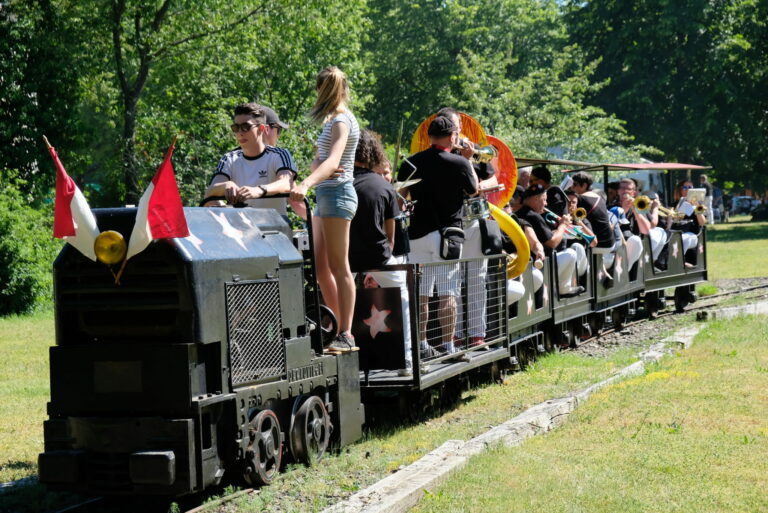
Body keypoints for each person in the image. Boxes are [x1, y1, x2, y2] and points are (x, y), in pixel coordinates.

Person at [290, 66, 360, 353]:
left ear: (324, 90)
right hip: (326, 196)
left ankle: (347, 333)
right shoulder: (332, 122)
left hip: (338, 195)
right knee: (321, 268)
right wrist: (317, 172)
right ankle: (335, 327)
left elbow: (331, 163)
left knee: (339, 265)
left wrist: (306, 183)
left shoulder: (342, 121)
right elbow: (320, 163)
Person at [397, 115, 478, 358]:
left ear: (429, 137)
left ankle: (422, 344)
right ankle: (449, 345)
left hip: (418, 234)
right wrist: (469, 160)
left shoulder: (411, 162)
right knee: (448, 292)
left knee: (421, 293)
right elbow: (474, 190)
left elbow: (401, 195)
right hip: (447, 235)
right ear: (453, 136)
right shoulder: (460, 163)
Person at [349, 129, 413, 375]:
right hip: (378, 258)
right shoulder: (383, 187)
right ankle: (406, 360)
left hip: (345, 260)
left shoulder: (338, 185)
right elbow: (391, 237)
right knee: (403, 293)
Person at [436, 107, 497, 349]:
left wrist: (472, 166)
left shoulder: (471, 150)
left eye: (459, 126)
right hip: (449, 222)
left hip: (473, 220)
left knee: (477, 278)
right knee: (453, 280)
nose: (459, 131)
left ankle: (476, 333)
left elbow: (491, 180)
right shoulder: (438, 153)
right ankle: (456, 333)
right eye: (454, 126)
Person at [206, 103, 297, 215]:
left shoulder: (279, 155)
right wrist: (226, 185)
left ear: (262, 128)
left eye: (246, 127)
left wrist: (259, 190)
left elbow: (286, 183)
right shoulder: (229, 158)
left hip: (274, 228)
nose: (240, 133)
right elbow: (210, 191)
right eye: (236, 128)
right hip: (241, 228)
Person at [517, 184, 583, 296]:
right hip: (541, 266)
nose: (546, 204)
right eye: (544, 200)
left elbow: (545, 237)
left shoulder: (520, 213)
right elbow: (552, 243)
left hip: (533, 265)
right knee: (571, 253)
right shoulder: (534, 216)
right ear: (536, 199)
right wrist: (562, 225)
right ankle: (564, 289)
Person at [617, 178, 667, 269]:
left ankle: (650, 263)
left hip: (636, 245)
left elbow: (646, 230)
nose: (625, 191)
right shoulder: (612, 207)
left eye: (628, 189)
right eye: (622, 188)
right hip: (620, 243)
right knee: (635, 240)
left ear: (634, 192)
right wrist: (624, 210)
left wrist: (635, 211)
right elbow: (612, 226)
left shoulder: (639, 206)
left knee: (659, 232)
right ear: (618, 191)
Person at [670, 179, 706, 265]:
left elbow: (702, 222)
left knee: (683, 239)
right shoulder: (674, 204)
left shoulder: (699, 205)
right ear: (680, 190)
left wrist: (697, 207)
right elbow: (673, 220)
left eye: (690, 187)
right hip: (677, 231)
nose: (687, 190)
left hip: (692, 234)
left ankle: (678, 262)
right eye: (685, 187)